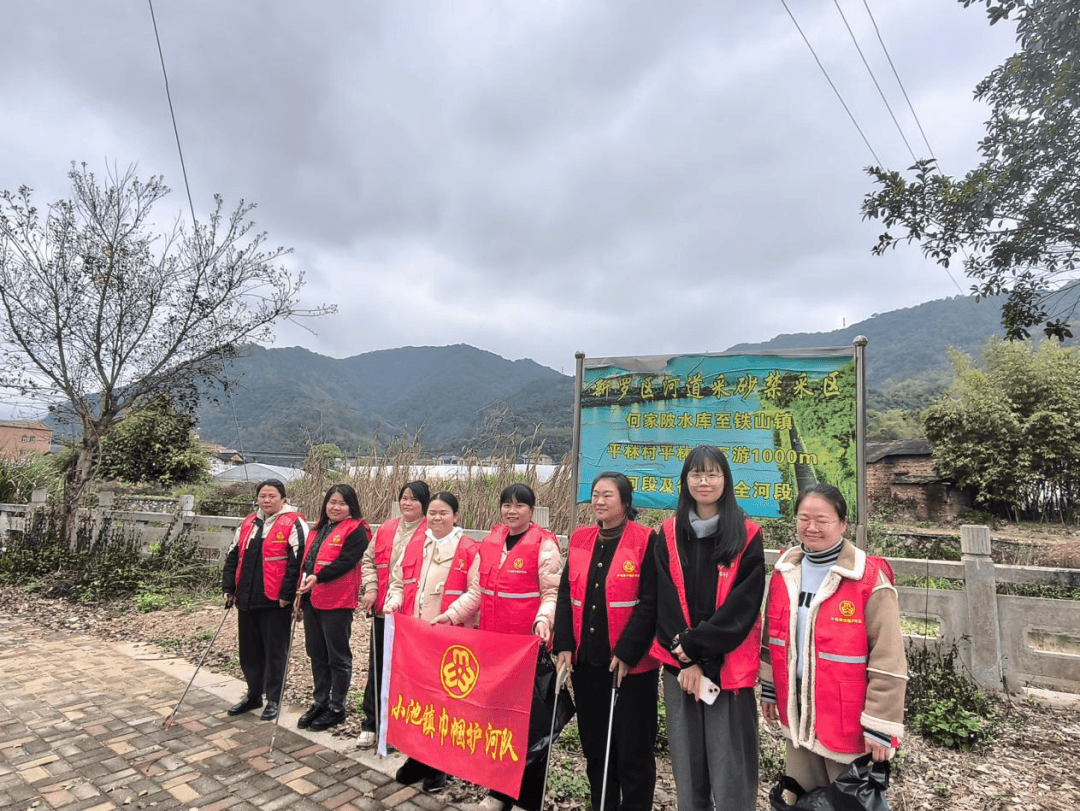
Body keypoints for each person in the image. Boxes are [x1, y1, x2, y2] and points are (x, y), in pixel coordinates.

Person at [759, 483, 906, 793]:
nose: (811, 528)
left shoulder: (868, 577)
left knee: (847, 799)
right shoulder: (786, 571)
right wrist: (770, 687)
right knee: (801, 795)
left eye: (822, 520)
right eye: (804, 519)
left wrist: (880, 725)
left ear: (842, 524)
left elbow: (889, 657)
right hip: (797, 711)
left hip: (846, 719)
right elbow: (773, 636)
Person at [653, 446, 765, 811]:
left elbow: (743, 606)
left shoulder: (746, 535)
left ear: (725, 480)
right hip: (681, 670)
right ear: (685, 481)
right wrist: (686, 660)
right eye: (697, 474)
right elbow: (663, 599)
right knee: (688, 770)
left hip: (726, 669)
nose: (705, 481)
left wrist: (698, 651)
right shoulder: (668, 534)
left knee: (730, 768)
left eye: (713, 474)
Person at [553, 472, 659, 811]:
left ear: (625, 502)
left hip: (630, 668)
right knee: (596, 748)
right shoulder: (581, 538)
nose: (599, 501)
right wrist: (564, 643)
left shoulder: (646, 540)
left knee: (633, 751)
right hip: (587, 664)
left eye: (608, 495)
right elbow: (566, 594)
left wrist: (628, 652)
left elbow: (650, 602)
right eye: (596, 494)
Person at [471, 483, 563, 811]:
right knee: (496, 722)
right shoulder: (491, 541)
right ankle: (498, 791)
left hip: (525, 651)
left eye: (520, 505)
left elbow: (552, 593)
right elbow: (476, 592)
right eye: (507, 505)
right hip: (492, 650)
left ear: (531, 510)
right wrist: (451, 616)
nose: (512, 511)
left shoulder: (544, 544)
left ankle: (527, 799)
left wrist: (543, 620)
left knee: (528, 725)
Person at [386, 491, 481, 793]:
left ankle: (440, 764)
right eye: (432, 513)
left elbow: (476, 592)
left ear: (456, 516)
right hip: (415, 637)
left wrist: (451, 616)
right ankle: (417, 756)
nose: (437, 518)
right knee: (416, 698)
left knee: (445, 701)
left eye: (443, 513)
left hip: (450, 638)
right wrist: (394, 601)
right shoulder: (416, 543)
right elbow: (398, 582)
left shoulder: (469, 549)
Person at [221, 478, 307, 721]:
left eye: (272, 496)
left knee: (275, 651)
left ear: (283, 499)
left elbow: (299, 562)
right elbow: (233, 555)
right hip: (247, 597)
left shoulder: (294, 523)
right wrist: (229, 588)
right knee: (249, 651)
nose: (267, 500)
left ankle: (274, 698)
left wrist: (288, 595)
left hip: (275, 600)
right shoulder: (248, 522)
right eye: (262, 496)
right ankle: (253, 694)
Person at [356, 480, 429, 748]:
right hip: (382, 611)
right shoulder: (387, 528)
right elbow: (368, 560)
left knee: (406, 671)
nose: (407, 503)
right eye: (404, 498)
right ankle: (372, 722)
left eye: (414, 499)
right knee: (378, 665)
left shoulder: (430, 531)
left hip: (411, 616)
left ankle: (400, 727)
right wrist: (371, 588)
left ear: (425, 504)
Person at [295, 484, 370, 731]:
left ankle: (337, 707)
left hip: (338, 601)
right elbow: (307, 562)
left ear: (351, 506)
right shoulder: (318, 528)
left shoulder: (357, 530)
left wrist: (319, 576)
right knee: (316, 653)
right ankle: (320, 702)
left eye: (342, 503)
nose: (336, 507)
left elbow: (346, 562)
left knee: (337, 655)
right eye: (332, 502)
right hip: (312, 598)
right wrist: (299, 597)